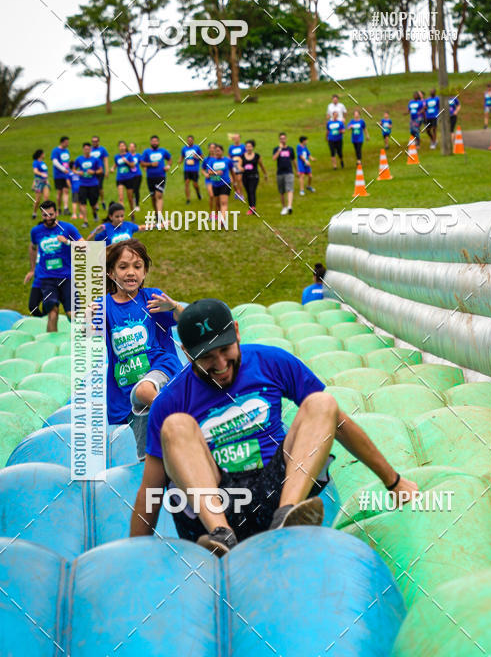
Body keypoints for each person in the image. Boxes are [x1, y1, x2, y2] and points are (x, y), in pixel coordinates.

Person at [129, 299, 419, 554]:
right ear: (187, 353)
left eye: (225, 349)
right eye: (207, 357)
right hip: (217, 501)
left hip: (273, 490)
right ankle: (222, 535)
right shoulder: (172, 398)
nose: (220, 364)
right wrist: (133, 555)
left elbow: (338, 423)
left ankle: (287, 516)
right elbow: (150, 487)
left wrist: (393, 481)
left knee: (322, 403)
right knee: (175, 425)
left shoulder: (271, 362)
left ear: (238, 332)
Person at [98, 239, 183, 461]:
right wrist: (88, 317)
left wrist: (174, 307)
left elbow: (188, 320)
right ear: (111, 273)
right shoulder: (104, 305)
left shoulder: (151, 298)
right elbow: (87, 333)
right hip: (126, 389)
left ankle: (176, 418)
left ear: (144, 272)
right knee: (149, 456)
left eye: (137, 266)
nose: (131, 272)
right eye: (123, 267)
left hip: (161, 369)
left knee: (145, 390)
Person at [25, 200, 82, 332]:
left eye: (50, 214)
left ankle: (86, 340)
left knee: (72, 316)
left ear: (56, 212)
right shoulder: (36, 231)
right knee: (52, 312)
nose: (48, 218)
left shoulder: (67, 228)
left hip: (67, 277)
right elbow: (33, 248)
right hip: (47, 278)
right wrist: (32, 269)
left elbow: (85, 246)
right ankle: (51, 345)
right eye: (44, 215)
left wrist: (67, 242)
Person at [72, 142, 103, 226]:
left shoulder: (95, 159)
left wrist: (94, 172)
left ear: (91, 150)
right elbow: (74, 169)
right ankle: (85, 221)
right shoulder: (79, 159)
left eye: (88, 149)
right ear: (83, 150)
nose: (87, 151)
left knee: (93, 203)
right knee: (82, 203)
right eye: (85, 149)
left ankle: (95, 214)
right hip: (82, 184)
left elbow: (101, 170)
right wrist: (78, 172)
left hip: (93, 184)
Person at [141, 135, 171, 215]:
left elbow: (169, 159)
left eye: (156, 141)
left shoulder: (163, 151)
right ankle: (157, 213)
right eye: (153, 141)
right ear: (150, 142)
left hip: (161, 176)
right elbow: (142, 164)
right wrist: (151, 164)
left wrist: (168, 166)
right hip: (150, 177)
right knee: (153, 197)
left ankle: (159, 216)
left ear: (158, 142)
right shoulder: (146, 152)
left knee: (159, 195)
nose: (154, 143)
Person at [204, 145, 234, 216]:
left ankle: (222, 220)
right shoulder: (211, 160)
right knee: (217, 203)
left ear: (222, 151)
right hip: (215, 183)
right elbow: (209, 172)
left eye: (218, 151)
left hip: (225, 183)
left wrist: (234, 182)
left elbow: (232, 171)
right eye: (215, 151)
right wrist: (216, 173)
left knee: (223, 202)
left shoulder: (227, 160)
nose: (217, 152)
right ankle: (216, 215)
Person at [240, 140, 267, 215]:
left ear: (253, 147)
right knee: (248, 192)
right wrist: (240, 169)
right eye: (247, 146)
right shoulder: (242, 156)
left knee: (252, 191)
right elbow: (239, 166)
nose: (249, 148)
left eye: (250, 146)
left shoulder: (257, 156)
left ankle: (253, 207)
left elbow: (261, 165)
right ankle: (250, 207)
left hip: (254, 177)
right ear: (245, 147)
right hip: (245, 177)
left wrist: (265, 174)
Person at [273, 133, 296, 215]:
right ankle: (284, 207)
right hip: (280, 173)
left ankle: (290, 206)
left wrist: (297, 170)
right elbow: (274, 158)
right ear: (279, 140)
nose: (283, 140)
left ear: (286, 139)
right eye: (281, 139)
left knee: (289, 189)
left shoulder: (290, 149)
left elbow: (293, 160)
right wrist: (280, 149)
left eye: (284, 138)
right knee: (282, 191)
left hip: (289, 172)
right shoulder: (276, 149)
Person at [111, 141, 137, 212]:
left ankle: (132, 213)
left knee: (130, 198)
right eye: (120, 146)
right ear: (118, 147)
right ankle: (121, 217)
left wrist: (126, 161)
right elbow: (116, 164)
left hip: (129, 178)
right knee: (121, 198)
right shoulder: (116, 156)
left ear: (125, 147)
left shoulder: (129, 155)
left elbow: (133, 165)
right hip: (120, 178)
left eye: (123, 146)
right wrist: (113, 168)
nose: (122, 147)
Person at [50, 136, 71, 216]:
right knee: (59, 192)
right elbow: (55, 162)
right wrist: (63, 169)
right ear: (62, 142)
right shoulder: (55, 151)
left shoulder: (67, 151)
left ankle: (66, 208)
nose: (67, 144)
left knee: (66, 190)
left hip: (66, 174)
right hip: (58, 175)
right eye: (66, 142)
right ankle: (58, 208)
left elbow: (67, 162)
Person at [180, 135, 203, 203]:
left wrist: (197, 157)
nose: (189, 141)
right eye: (188, 140)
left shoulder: (197, 148)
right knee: (186, 183)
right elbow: (182, 156)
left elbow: (202, 157)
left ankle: (198, 193)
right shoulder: (184, 148)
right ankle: (188, 199)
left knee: (195, 184)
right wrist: (180, 160)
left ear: (193, 141)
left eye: (191, 140)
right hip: (186, 169)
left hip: (194, 169)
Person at [90, 136, 110, 211]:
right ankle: (96, 203)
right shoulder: (90, 150)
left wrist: (107, 170)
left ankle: (102, 200)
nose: (94, 143)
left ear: (98, 142)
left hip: (100, 171)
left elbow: (105, 160)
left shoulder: (102, 149)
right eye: (93, 141)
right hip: (92, 172)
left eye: (96, 141)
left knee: (99, 187)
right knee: (94, 188)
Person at [32, 149, 49, 218]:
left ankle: (45, 214)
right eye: (43, 153)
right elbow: (35, 171)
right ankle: (34, 213)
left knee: (46, 198)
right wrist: (42, 174)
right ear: (40, 154)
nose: (44, 155)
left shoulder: (43, 162)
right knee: (38, 200)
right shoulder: (35, 162)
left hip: (45, 181)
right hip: (38, 182)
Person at [202, 142, 218, 217]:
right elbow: (202, 169)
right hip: (208, 179)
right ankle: (211, 213)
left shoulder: (218, 158)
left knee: (217, 197)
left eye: (213, 148)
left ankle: (217, 213)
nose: (212, 149)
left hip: (217, 178)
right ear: (208, 149)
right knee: (211, 196)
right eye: (210, 148)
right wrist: (205, 174)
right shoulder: (206, 159)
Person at [228, 134, 244, 200]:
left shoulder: (243, 146)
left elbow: (245, 156)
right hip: (233, 165)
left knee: (239, 179)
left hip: (240, 164)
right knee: (232, 180)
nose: (236, 139)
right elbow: (229, 156)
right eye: (235, 138)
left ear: (240, 138)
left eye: (237, 138)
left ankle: (241, 195)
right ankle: (237, 192)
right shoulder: (231, 147)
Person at [128, 142, 142, 215]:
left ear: (135, 148)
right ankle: (132, 202)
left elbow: (142, 163)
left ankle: (137, 205)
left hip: (137, 175)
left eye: (133, 147)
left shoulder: (138, 155)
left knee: (136, 189)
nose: (132, 148)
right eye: (130, 147)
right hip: (129, 175)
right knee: (131, 190)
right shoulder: (127, 156)